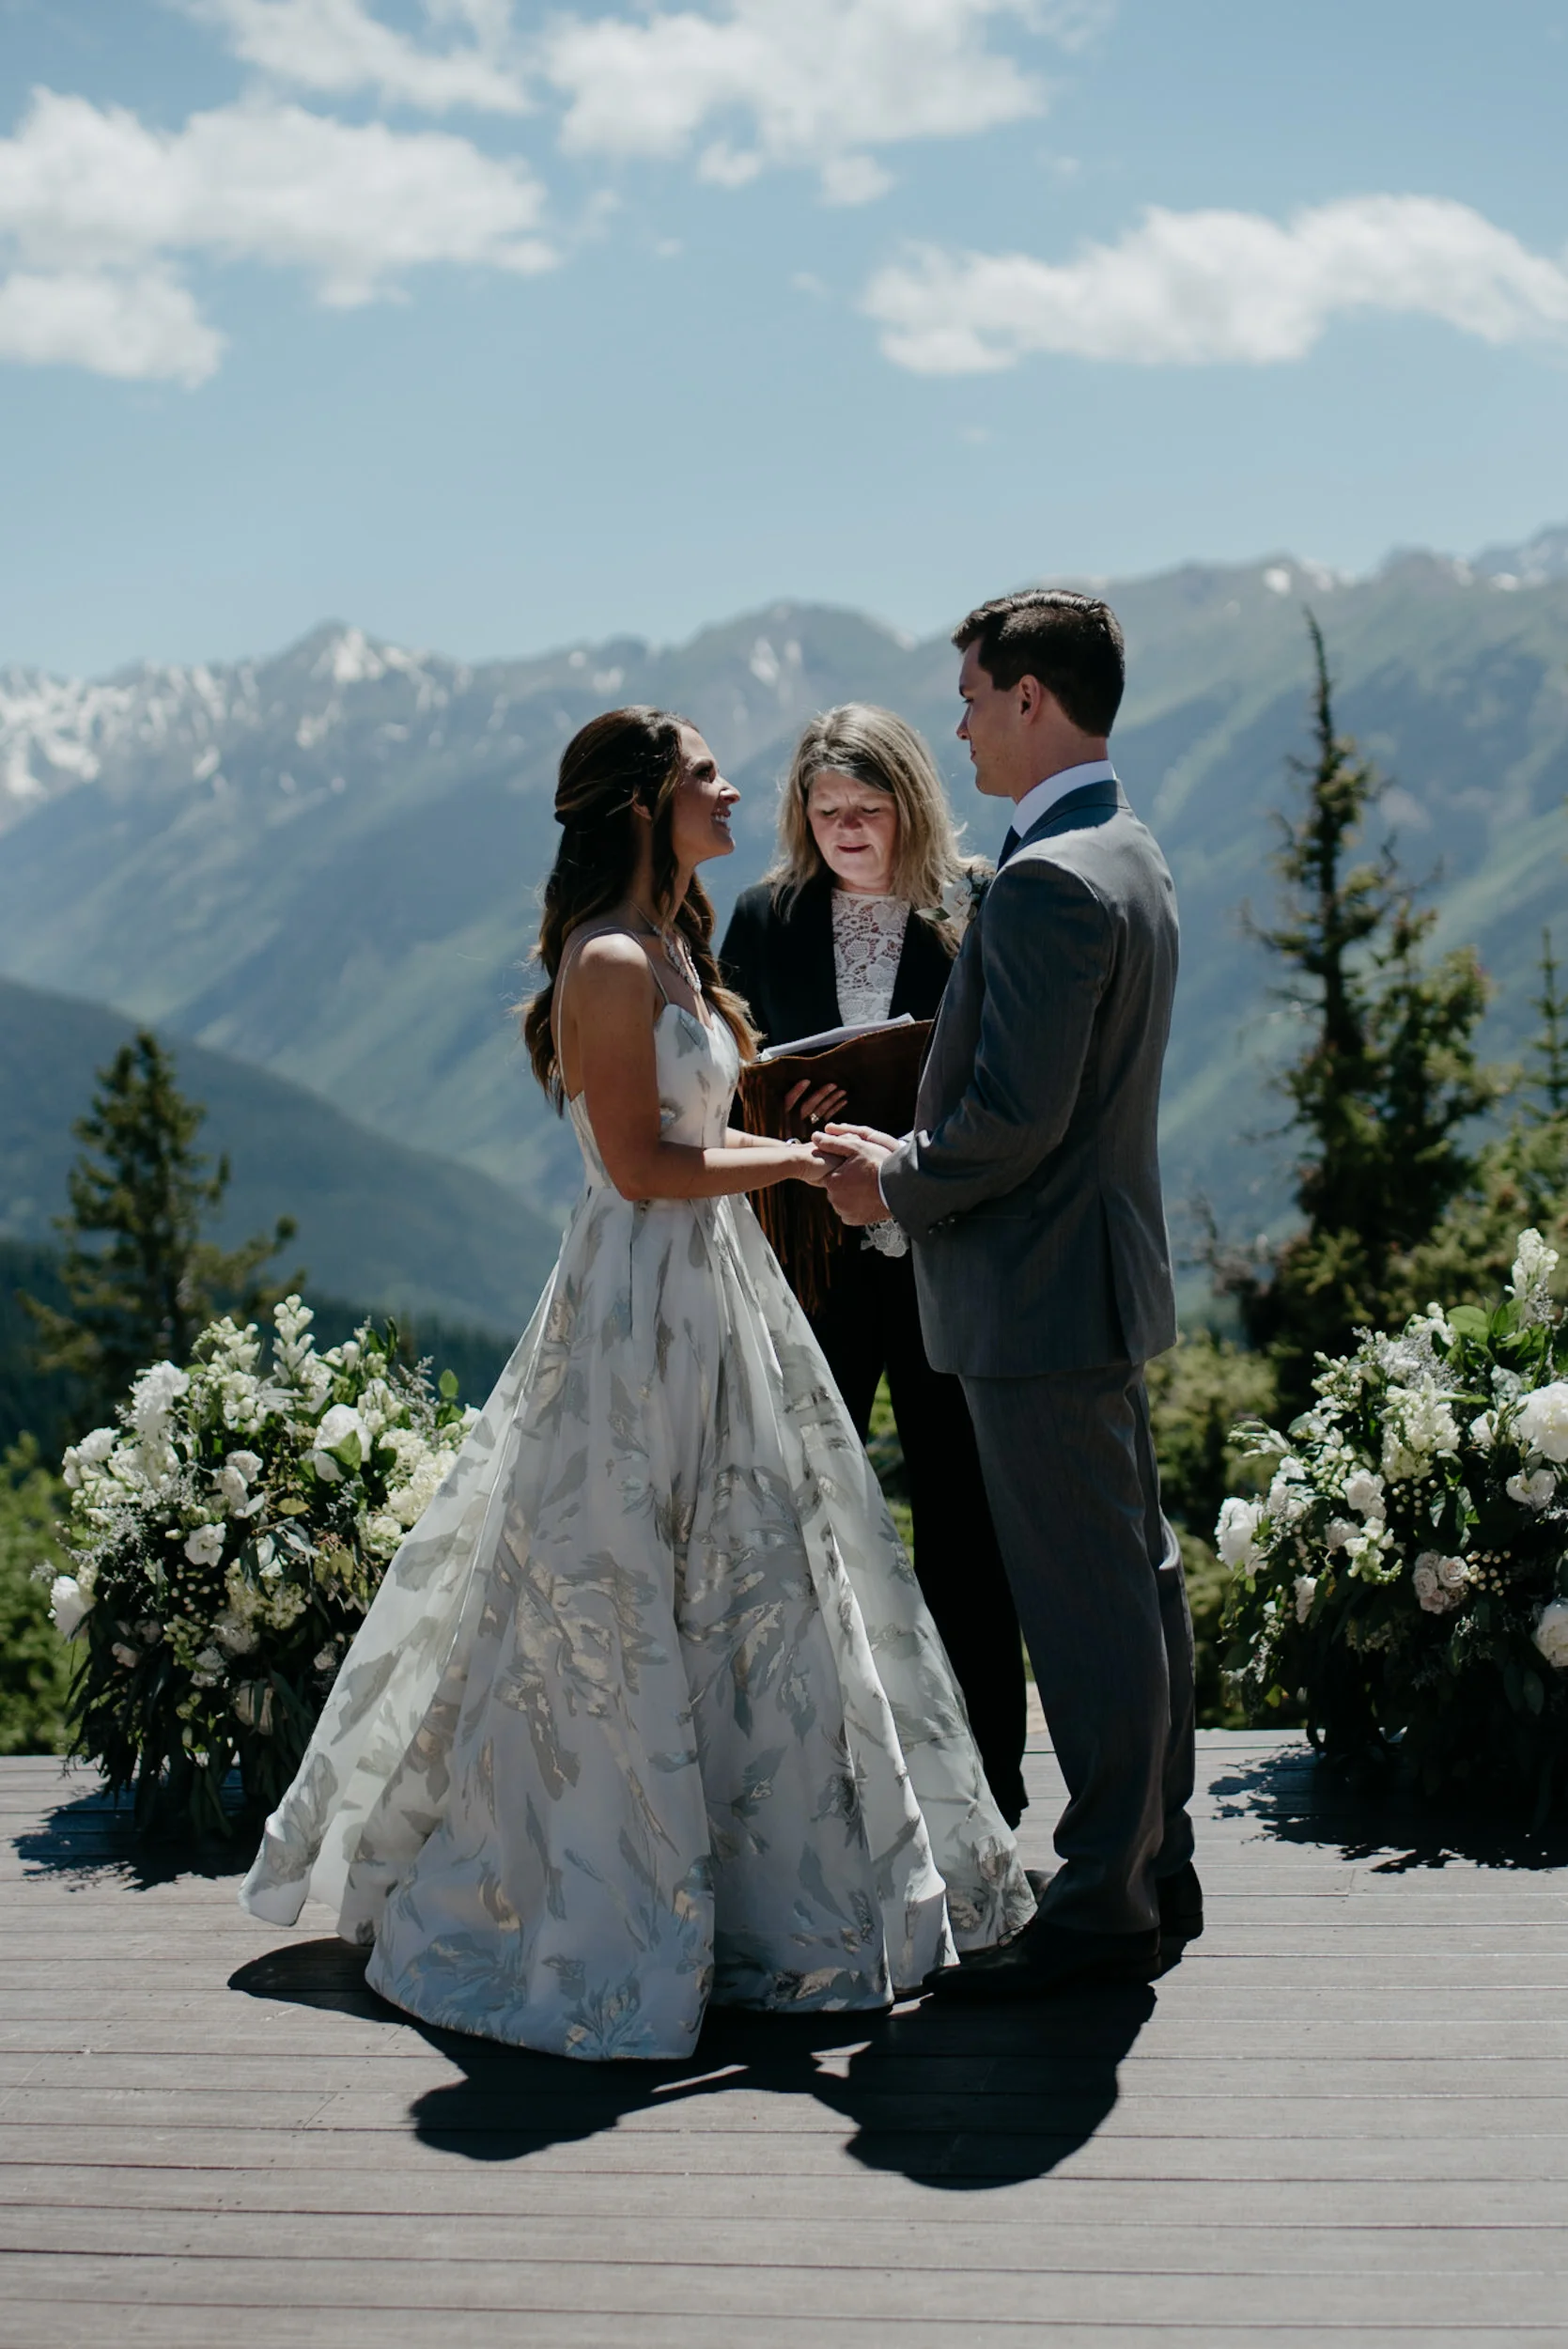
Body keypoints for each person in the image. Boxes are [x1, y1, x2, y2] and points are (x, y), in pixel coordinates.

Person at [239, 705, 1033, 2060]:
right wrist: (791, 1165)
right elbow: (642, 1166)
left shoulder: (673, 945)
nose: (736, 793)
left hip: (715, 1287)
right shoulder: (608, 961)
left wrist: (782, 1140)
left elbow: (692, 1136)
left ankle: (752, 1885)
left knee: (756, 1578)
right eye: (707, 779)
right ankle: (600, 1888)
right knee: (626, 1582)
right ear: (644, 808)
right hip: (640, 1296)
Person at [815, 592, 1200, 1999]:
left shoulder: (1043, 880)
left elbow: (1009, 1122)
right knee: (1136, 1579)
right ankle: (1154, 1858)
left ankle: (1101, 1899)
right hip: (1093, 1275)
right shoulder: (1126, 850)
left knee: (1085, 1601)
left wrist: (889, 1182)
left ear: (1033, 698)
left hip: (1032, 1293)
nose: (961, 720)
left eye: (974, 694)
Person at [719, 706, 1028, 1828]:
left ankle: (987, 1782)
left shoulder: (977, 900)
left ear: (910, 798)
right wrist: (783, 1106)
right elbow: (726, 1076)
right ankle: (821, 1788)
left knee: (963, 1520)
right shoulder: (765, 915)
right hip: (816, 1256)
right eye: (824, 808)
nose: (846, 829)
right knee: (810, 1514)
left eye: (868, 806)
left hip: (945, 1246)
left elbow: (1010, 1067)